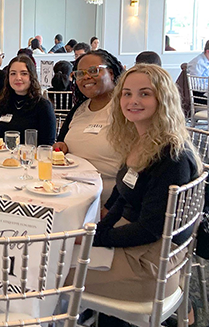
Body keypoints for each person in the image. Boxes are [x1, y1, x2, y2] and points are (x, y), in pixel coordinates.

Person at [75, 63, 202, 305]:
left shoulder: (172, 156)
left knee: (52, 271)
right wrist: (101, 223)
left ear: (163, 99)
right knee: (63, 249)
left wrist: (97, 238)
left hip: (151, 265)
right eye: (127, 93)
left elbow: (149, 229)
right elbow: (123, 196)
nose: (133, 101)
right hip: (140, 244)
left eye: (145, 93)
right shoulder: (141, 140)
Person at [53, 50, 124, 203]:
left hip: (107, 203)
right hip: (68, 194)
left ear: (111, 73)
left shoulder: (126, 110)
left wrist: (111, 208)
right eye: (80, 73)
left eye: (93, 71)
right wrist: (62, 147)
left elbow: (135, 170)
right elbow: (61, 144)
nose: (86, 77)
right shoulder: (79, 109)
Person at [0, 55, 56, 145]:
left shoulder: (43, 106)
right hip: (4, 157)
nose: (18, 78)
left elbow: (48, 144)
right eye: (13, 73)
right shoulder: (2, 103)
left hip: (32, 157)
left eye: (24, 73)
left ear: (32, 76)